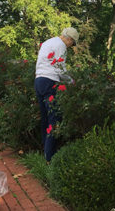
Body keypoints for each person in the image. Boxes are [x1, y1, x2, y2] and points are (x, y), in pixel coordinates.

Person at [34, 27, 79, 162]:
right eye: (73, 43)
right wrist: (72, 81)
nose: (71, 46)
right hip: (50, 82)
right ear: (69, 39)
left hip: (39, 80)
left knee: (45, 118)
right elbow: (60, 70)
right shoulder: (61, 46)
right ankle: (50, 157)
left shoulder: (49, 42)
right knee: (55, 119)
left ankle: (44, 153)